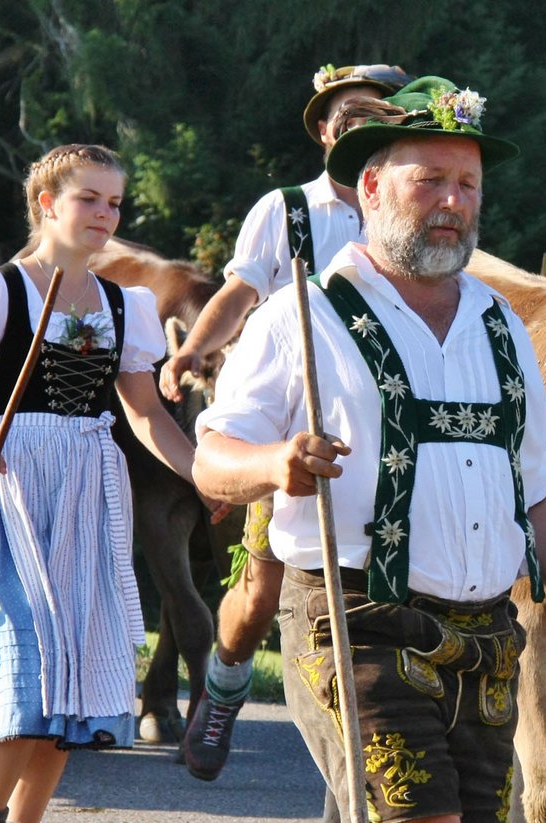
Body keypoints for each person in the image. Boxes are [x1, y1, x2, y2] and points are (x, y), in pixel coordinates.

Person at [194, 75, 546, 823]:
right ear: (371, 187)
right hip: (356, 619)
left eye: (468, 184)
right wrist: (276, 464)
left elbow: (537, 479)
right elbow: (212, 456)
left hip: (489, 643)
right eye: (429, 180)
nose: (453, 201)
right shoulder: (300, 315)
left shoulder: (500, 324)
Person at [0, 144, 208, 823]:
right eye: (90, 199)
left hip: (89, 489)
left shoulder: (124, 305)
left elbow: (142, 411)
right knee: (28, 663)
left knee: (68, 684)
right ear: (46, 203)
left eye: (114, 202)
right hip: (15, 486)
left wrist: (204, 472)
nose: (106, 214)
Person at [164, 63, 414, 783]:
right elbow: (240, 291)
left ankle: (386, 726)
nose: (355, 122)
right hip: (296, 431)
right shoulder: (287, 210)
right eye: (344, 113)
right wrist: (190, 351)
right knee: (262, 591)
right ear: (324, 129)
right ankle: (223, 688)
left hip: (392, 432)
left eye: (372, 112)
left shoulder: (406, 210)